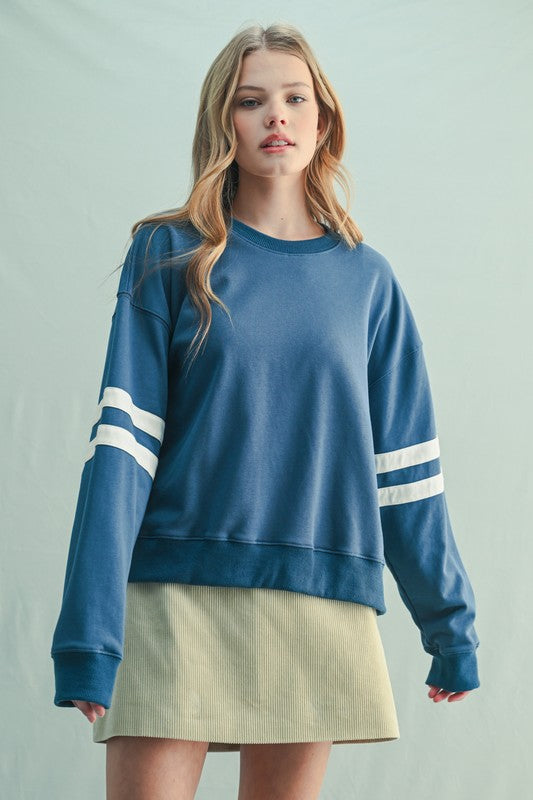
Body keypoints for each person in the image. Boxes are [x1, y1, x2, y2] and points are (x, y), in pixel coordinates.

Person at [50, 22, 480, 800]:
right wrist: (89, 632)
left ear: (323, 120)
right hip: (174, 593)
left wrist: (449, 626)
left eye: (294, 98)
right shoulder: (168, 255)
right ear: (225, 122)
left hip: (316, 597)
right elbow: (122, 448)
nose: (276, 115)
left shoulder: (368, 283)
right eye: (251, 101)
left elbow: (405, 471)